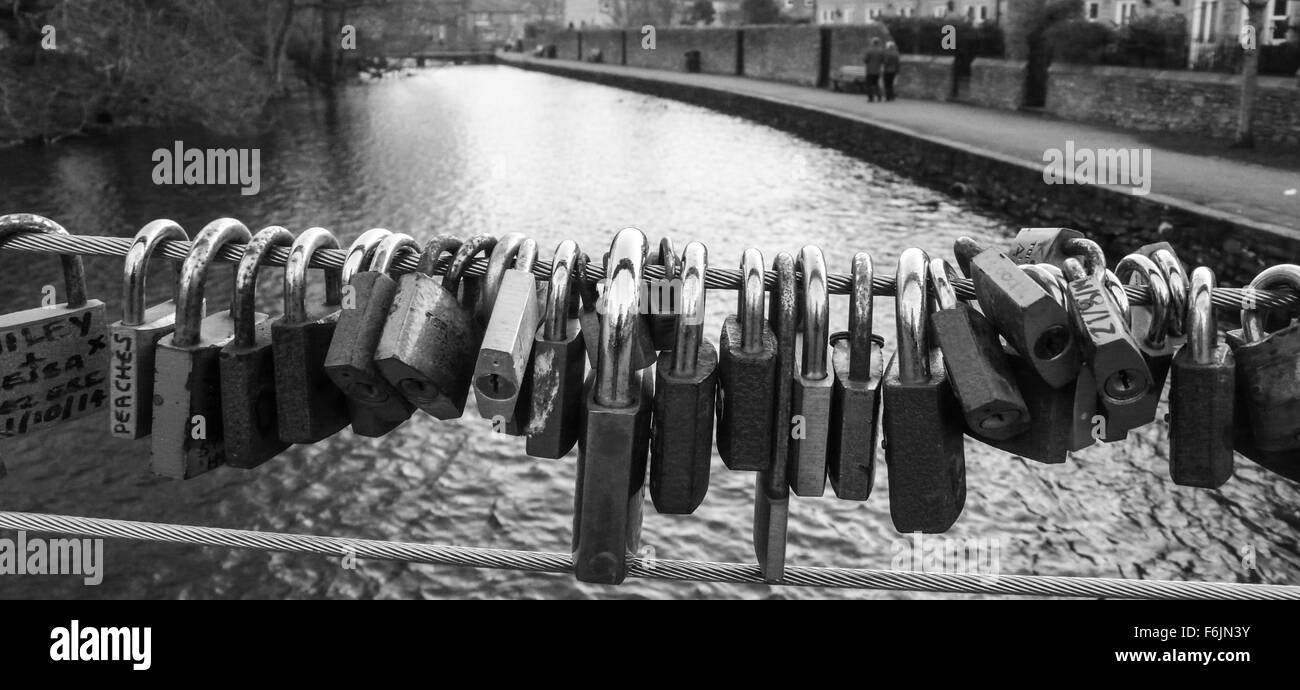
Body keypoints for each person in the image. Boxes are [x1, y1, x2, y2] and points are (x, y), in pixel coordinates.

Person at [863, 38, 884, 103]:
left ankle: (871, 98)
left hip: (870, 70)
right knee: (876, 84)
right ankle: (879, 97)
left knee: (869, 85)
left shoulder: (869, 50)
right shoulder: (881, 51)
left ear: (873, 42)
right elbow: (883, 60)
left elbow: (865, 59)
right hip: (877, 70)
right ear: (878, 43)